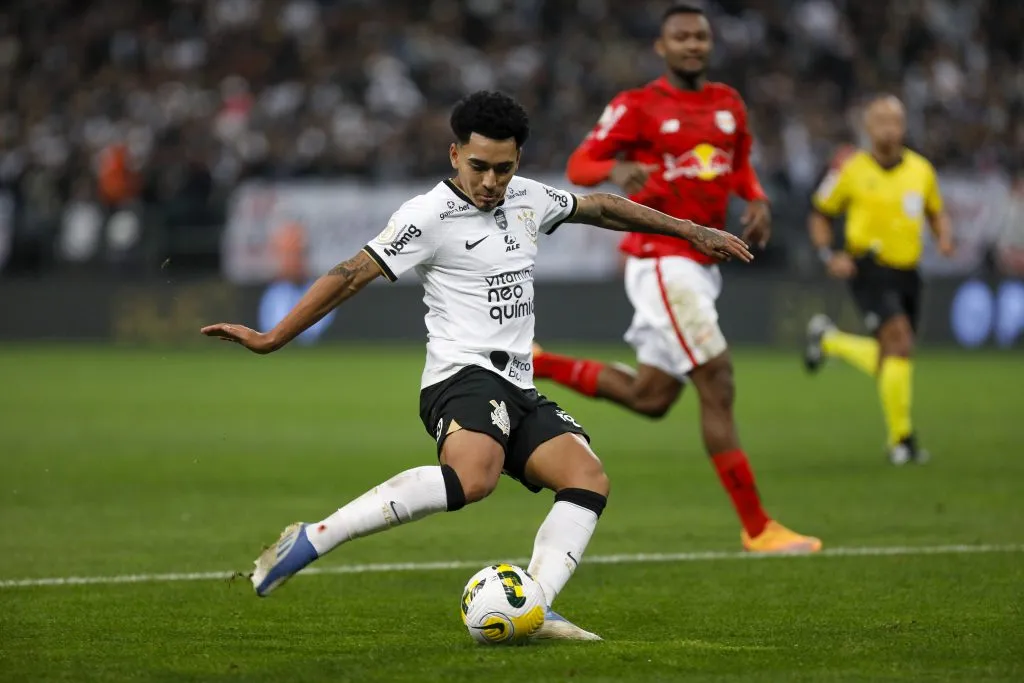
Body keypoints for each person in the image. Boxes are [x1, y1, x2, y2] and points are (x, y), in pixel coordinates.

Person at [200, 90, 752, 640]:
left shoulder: (528, 199)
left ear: (518, 163)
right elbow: (351, 273)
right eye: (478, 166)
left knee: (588, 478)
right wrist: (273, 337)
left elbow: (604, 206)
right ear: (454, 155)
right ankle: (314, 536)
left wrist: (691, 230)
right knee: (474, 477)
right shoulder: (427, 216)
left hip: (518, 383)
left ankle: (535, 606)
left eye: (504, 169)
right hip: (459, 377)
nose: (490, 182)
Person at [531, 4, 821, 554]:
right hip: (663, 257)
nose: (692, 44)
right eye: (681, 37)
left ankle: (538, 361)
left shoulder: (728, 105)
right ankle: (758, 528)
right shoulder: (637, 106)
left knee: (653, 396)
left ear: (710, 44)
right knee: (718, 379)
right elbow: (579, 166)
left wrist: (754, 198)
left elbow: (738, 165)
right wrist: (617, 171)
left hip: (703, 264)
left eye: (700, 36)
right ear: (661, 48)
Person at [804, 94, 954, 465]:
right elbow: (820, 213)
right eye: (882, 121)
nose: (890, 128)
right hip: (868, 268)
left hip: (909, 271)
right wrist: (828, 255)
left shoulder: (921, 170)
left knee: (895, 356)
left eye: (896, 121)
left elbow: (936, 212)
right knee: (899, 343)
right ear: (868, 128)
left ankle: (829, 341)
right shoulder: (851, 169)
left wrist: (944, 237)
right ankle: (901, 441)